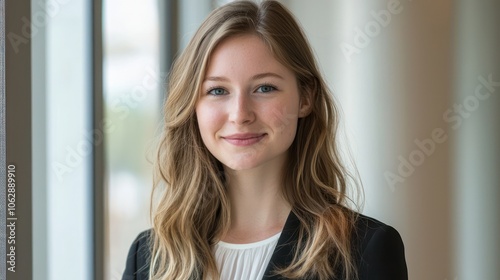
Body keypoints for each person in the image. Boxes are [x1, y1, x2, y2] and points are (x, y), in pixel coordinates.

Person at [122, 1, 408, 279]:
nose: (240, 114)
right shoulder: (149, 257)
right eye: (218, 91)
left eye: (264, 87)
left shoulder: (363, 251)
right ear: (192, 105)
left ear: (305, 98)